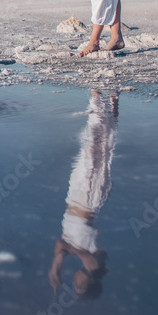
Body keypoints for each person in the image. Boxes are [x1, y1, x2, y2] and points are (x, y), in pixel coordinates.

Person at [49, 90, 118, 300]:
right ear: (90, 283)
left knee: (98, 147)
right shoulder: (95, 263)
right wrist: (66, 252)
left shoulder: (79, 255)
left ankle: (108, 101)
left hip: (76, 198)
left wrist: (56, 269)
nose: (74, 282)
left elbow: (60, 246)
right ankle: (100, 97)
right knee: (98, 148)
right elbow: (69, 249)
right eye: (79, 286)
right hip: (88, 199)